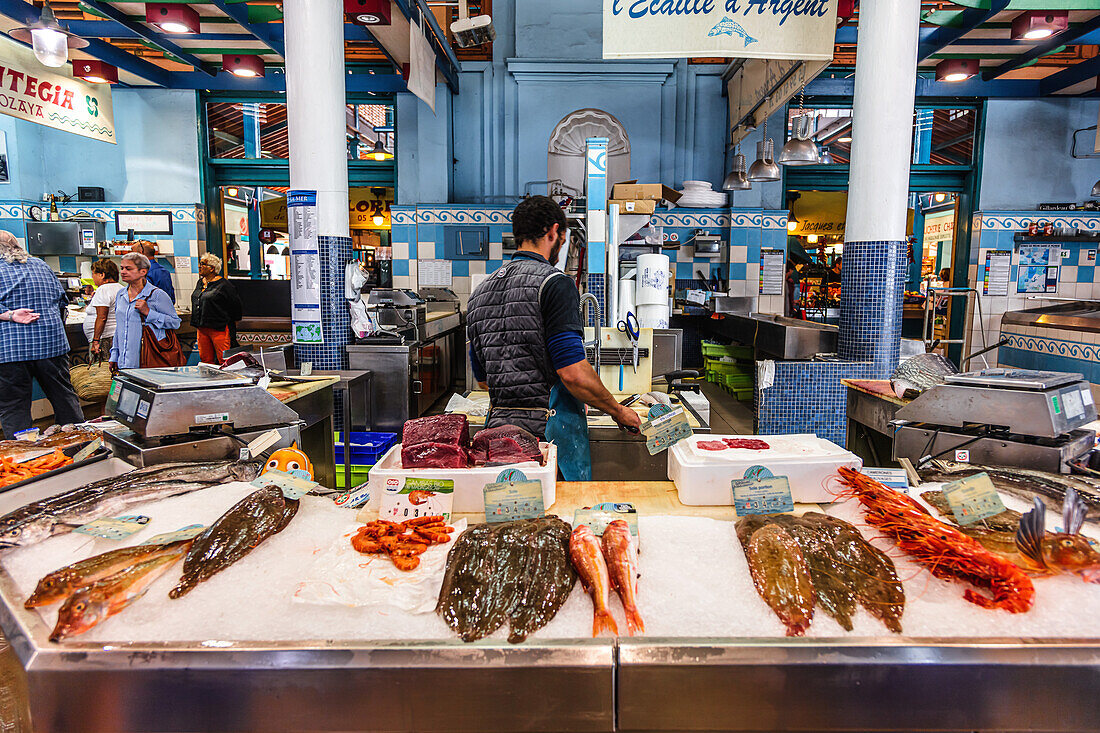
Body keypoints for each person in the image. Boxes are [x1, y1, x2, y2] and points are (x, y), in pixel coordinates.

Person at [467, 196, 641, 479]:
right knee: (559, 518)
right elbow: (574, 374)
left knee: (512, 518)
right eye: (562, 237)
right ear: (553, 232)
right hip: (548, 441)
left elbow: (484, 379)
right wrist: (617, 410)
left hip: (496, 437)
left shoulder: (479, 294)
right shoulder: (555, 284)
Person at [0, 231, 83, 438]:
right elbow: (62, 300)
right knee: (64, 398)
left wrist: (9, 314)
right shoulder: (41, 265)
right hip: (51, 344)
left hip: (11, 351)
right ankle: (80, 444)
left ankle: (25, 457)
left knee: (15, 407)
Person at [110, 252, 181, 370]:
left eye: (128, 269)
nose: (122, 272)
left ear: (143, 271)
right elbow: (120, 327)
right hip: (123, 363)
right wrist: (114, 355)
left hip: (147, 360)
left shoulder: (157, 295)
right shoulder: (120, 295)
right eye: (121, 268)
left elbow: (175, 322)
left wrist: (149, 312)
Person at [191, 253, 242, 364]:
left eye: (203, 264)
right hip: (201, 327)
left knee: (224, 360)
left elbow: (236, 307)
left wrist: (232, 323)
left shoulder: (224, 285)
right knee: (205, 359)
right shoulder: (200, 283)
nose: (199, 266)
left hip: (219, 328)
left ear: (212, 268)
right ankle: (209, 380)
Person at [83, 259, 123, 359]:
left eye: (93, 274)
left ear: (102, 275)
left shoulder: (104, 289)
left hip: (105, 338)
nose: (92, 277)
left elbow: (102, 317)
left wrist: (96, 340)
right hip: (116, 335)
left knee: (101, 372)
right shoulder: (121, 288)